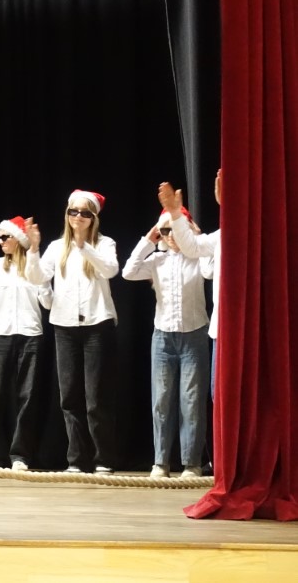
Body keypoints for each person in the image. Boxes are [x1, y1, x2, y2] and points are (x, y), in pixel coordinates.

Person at [27, 190, 119, 474]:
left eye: (84, 213)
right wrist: (33, 249)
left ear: (94, 218)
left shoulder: (105, 243)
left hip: (97, 324)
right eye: (73, 211)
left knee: (96, 398)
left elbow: (110, 270)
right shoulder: (57, 247)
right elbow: (36, 276)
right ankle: (77, 459)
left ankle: (103, 458)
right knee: (69, 397)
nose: (78, 216)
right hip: (64, 325)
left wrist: (84, 245)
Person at [122, 206, 210, 479]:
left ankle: (191, 463)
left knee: (191, 401)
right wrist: (148, 240)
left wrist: (196, 237)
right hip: (162, 338)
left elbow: (210, 270)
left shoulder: (197, 258)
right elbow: (128, 271)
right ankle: (160, 462)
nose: (171, 236)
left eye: (175, 229)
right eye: (165, 230)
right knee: (161, 401)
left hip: (194, 335)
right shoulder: (157, 260)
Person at [0, 216, 51, 472]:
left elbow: (48, 303)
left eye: (5, 237)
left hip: (30, 336)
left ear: (18, 239)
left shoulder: (35, 266)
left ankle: (20, 456)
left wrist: (42, 279)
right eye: (0, 237)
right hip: (0, 337)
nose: (0, 241)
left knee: (27, 398)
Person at [159, 170, 222, 397]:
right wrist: (176, 215)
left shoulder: (252, 231)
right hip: (221, 328)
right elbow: (194, 250)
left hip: (244, 326)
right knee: (218, 394)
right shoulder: (220, 236)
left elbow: (205, 269)